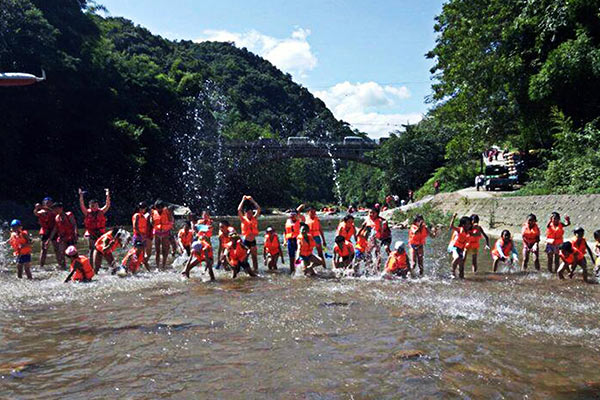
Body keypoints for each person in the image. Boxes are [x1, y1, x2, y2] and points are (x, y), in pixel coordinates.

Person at [79, 188, 111, 259]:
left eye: (96, 205)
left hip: (100, 232)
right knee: (92, 249)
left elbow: (107, 204)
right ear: (90, 206)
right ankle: (91, 263)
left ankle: (101, 262)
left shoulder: (101, 211)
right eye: (92, 206)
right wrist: (81, 196)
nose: (95, 207)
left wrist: (107, 194)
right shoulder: (87, 212)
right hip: (91, 233)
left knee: (103, 248)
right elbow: (82, 204)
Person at [48, 202, 78, 270]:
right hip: (62, 238)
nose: (55, 211)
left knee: (72, 253)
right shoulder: (57, 217)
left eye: (56, 209)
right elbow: (55, 229)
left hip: (71, 237)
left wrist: (76, 233)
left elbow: (74, 224)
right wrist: (49, 239)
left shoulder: (69, 215)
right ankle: (63, 267)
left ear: (61, 208)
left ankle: (74, 267)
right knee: (61, 253)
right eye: (54, 210)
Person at [237, 195, 261, 272]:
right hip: (246, 241)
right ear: (245, 213)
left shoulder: (254, 218)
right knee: (245, 257)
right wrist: (243, 200)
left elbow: (258, 209)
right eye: (248, 213)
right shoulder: (243, 219)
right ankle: (245, 270)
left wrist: (252, 200)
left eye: (251, 213)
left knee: (254, 257)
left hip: (253, 241)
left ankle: (255, 271)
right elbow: (239, 210)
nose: (249, 215)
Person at [33, 197, 58, 268]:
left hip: (54, 230)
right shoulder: (41, 211)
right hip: (45, 230)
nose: (49, 204)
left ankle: (61, 265)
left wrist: (46, 209)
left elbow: (53, 212)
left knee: (56, 248)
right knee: (44, 249)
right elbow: (36, 213)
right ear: (44, 203)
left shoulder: (54, 211)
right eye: (47, 203)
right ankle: (41, 266)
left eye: (50, 202)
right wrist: (37, 208)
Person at [448, 214, 472, 279]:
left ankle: (461, 278)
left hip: (460, 248)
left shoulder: (468, 232)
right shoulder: (459, 229)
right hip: (454, 246)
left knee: (461, 266)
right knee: (457, 257)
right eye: (467, 224)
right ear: (463, 225)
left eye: (469, 224)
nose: (469, 225)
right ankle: (452, 272)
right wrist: (453, 217)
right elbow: (451, 226)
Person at [152, 200, 173, 270]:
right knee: (157, 251)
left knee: (165, 250)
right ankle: (157, 267)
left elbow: (171, 221)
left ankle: (163, 265)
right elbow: (151, 221)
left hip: (165, 232)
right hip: (157, 232)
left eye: (160, 208)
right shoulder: (153, 212)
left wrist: (168, 228)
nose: (159, 209)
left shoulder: (167, 212)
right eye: (157, 208)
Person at [284, 210, 302, 274]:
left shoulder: (299, 221)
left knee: (299, 256)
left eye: (294, 215)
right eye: (291, 215)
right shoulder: (288, 221)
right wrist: (285, 241)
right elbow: (285, 232)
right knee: (291, 257)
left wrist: (299, 209)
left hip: (297, 240)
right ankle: (292, 271)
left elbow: (299, 215)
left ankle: (299, 269)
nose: (292, 216)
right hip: (289, 240)